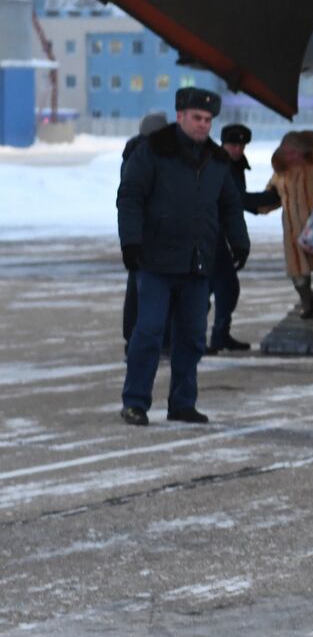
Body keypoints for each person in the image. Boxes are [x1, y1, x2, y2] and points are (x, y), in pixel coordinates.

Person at [117, 88, 249, 426]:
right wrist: (131, 243)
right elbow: (130, 196)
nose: (203, 125)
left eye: (208, 120)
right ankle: (135, 402)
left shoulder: (218, 160)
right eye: (197, 118)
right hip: (156, 260)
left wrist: (240, 241)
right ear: (180, 116)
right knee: (148, 333)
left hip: (197, 261)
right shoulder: (152, 151)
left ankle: (182, 403)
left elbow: (230, 204)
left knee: (191, 337)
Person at [208, 123, 275, 353]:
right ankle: (209, 336)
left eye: (241, 145)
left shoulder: (233, 165)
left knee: (220, 287)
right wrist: (270, 198)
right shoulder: (218, 164)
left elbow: (235, 205)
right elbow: (237, 199)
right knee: (222, 287)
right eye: (233, 145)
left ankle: (217, 335)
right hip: (209, 234)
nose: (237, 149)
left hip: (220, 234)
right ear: (223, 143)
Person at [261, 130, 313, 321]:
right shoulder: (282, 169)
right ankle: (307, 303)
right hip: (293, 230)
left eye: (293, 152)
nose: (290, 156)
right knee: (298, 275)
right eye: (286, 152)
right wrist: (255, 203)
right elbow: (272, 194)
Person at [122, 112, 175, 350]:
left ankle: (134, 337)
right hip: (149, 232)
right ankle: (147, 338)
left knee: (139, 289)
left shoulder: (134, 153)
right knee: (148, 289)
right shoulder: (147, 155)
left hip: (140, 232)